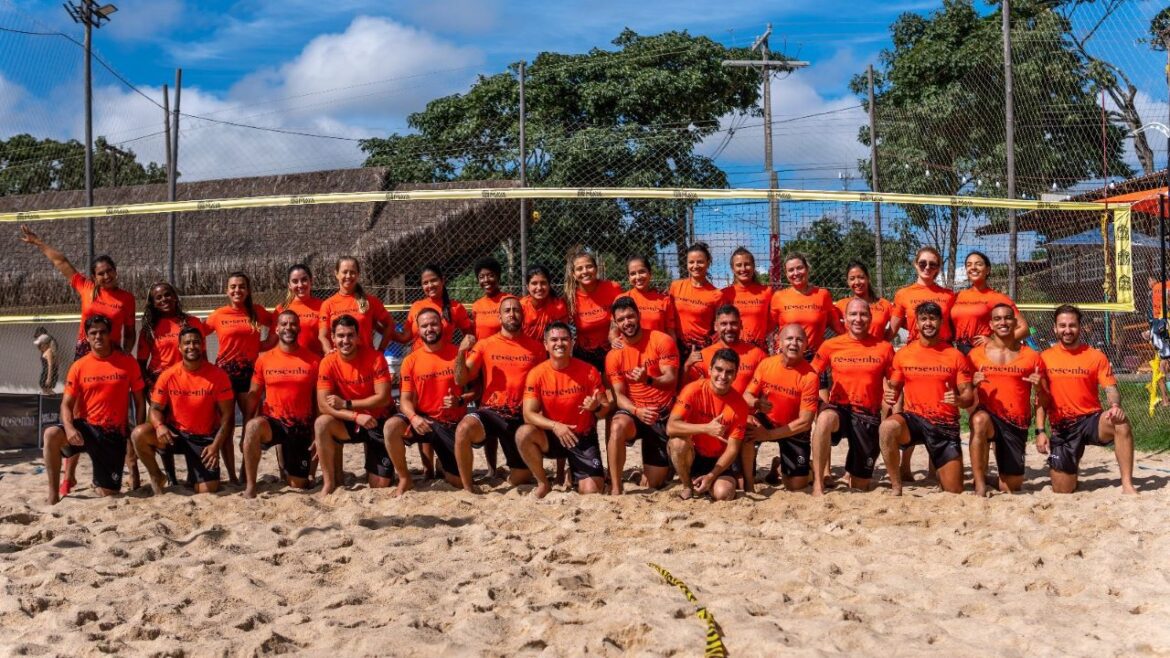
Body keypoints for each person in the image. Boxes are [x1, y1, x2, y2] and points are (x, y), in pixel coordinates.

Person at [42, 315, 145, 505]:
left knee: (108, 494)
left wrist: (137, 433)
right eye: (93, 333)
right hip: (87, 429)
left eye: (102, 332)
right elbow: (66, 404)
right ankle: (53, 495)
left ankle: (100, 480)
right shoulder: (79, 366)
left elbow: (139, 401)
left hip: (113, 434)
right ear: (87, 338)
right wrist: (70, 427)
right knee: (51, 434)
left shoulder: (127, 362)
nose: (98, 336)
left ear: (110, 335)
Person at [1038, 304, 1136, 494]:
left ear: (1080, 327)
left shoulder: (1095, 356)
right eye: (1063, 325)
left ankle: (1127, 484)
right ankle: (1071, 470)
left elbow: (1111, 389)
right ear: (1055, 328)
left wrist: (1115, 405)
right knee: (1063, 489)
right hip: (1062, 427)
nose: (1067, 330)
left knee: (1120, 422)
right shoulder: (1044, 358)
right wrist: (1040, 431)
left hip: (1091, 420)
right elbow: (1040, 399)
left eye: (1072, 325)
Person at [879, 302, 974, 495]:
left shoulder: (954, 356)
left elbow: (968, 396)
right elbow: (894, 388)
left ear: (941, 322)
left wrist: (958, 399)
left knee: (954, 489)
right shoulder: (904, 354)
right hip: (915, 420)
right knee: (887, 427)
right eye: (923, 319)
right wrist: (890, 393)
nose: (928, 323)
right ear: (916, 323)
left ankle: (943, 473)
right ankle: (896, 485)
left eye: (932, 318)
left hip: (944, 424)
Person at [453, 296, 545, 492]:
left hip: (521, 415)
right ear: (500, 316)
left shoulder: (536, 348)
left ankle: (507, 475)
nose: (512, 313)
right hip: (492, 412)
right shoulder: (486, 345)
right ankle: (468, 487)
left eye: (516, 310)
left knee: (521, 477)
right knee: (463, 429)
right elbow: (461, 380)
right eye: (507, 310)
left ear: (523, 315)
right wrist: (461, 353)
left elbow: (542, 386)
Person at [132, 327, 235, 495]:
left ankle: (194, 477)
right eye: (187, 343)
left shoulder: (218, 375)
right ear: (179, 347)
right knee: (139, 434)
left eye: (196, 342)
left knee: (207, 490)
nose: (191, 346)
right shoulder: (168, 375)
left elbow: (227, 416)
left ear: (202, 346)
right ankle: (157, 475)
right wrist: (159, 426)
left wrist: (215, 446)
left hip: (203, 439)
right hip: (175, 435)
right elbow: (155, 408)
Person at [516, 321, 611, 498]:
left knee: (591, 491)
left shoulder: (589, 371)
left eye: (564, 339)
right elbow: (528, 414)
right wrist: (555, 426)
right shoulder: (536, 374)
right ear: (546, 344)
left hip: (582, 437)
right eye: (554, 340)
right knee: (523, 433)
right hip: (553, 436)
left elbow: (604, 410)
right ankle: (543, 483)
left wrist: (596, 407)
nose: (559, 344)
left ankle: (573, 473)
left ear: (572, 342)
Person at [810, 298, 895, 496]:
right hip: (840, 410)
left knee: (860, 486)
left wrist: (893, 404)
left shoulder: (884, 348)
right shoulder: (831, 345)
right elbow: (810, 374)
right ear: (845, 319)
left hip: (868, 414)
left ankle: (854, 473)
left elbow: (895, 382)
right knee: (824, 419)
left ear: (870, 318)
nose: (858, 318)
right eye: (853, 314)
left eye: (863, 314)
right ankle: (818, 484)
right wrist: (813, 402)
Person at [385, 308, 470, 494]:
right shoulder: (410, 361)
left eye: (433, 324)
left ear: (442, 325)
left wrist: (461, 400)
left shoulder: (458, 354)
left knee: (457, 482)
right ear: (418, 329)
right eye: (424, 326)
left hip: (449, 423)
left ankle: (442, 465)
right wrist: (414, 417)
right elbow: (405, 401)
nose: (429, 329)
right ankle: (405, 478)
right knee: (391, 426)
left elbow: (475, 391)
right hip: (423, 421)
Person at [19, 226, 136, 358]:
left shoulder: (127, 298)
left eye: (109, 271)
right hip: (85, 351)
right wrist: (38, 242)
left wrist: (125, 354)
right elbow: (61, 262)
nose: (106, 276)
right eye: (101, 273)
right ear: (94, 278)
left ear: (115, 271)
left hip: (112, 351)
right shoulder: (86, 288)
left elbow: (130, 333)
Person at [241, 310, 320, 498]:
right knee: (253, 427)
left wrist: (315, 432)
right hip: (274, 423)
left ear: (299, 328)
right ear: (276, 329)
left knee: (297, 485)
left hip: (301, 426)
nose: (288, 328)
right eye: (284, 324)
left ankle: (287, 466)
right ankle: (251, 486)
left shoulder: (313, 361)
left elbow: (318, 401)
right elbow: (254, 394)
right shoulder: (264, 359)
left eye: (293, 324)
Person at [968, 303, 1046, 496]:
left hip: (1016, 422)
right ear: (991, 325)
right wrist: (972, 385)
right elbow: (965, 396)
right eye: (997, 319)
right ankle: (979, 484)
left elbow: (1043, 398)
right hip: (989, 417)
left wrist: (1039, 387)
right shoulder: (975, 355)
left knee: (1011, 486)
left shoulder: (1032, 356)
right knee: (979, 420)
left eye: (1007, 318)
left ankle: (992, 478)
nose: (1003, 322)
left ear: (1015, 322)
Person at [605, 297, 680, 494]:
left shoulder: (661, 340)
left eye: (630, 316)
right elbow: (619, 395)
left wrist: (649, 380)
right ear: (615, 322)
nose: (627, 322)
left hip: (660, 413)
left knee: (653, 483)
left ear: (639, 316)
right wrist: (636, 411)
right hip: (635, 412)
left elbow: (671, 379)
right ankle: (616, 486)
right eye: (621, 319)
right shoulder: (614, 354)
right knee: (617, 426)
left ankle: (652, 471)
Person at [314, 315, 395, 496]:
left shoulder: (375, 358)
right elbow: (323, 405)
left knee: (380, 485)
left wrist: (347, 404)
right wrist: (356, 415)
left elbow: (383, 397)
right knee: (321, 424)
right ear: (333, 339)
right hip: (350, 421)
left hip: (376, 420)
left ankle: (384, 469)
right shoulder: (327, 362)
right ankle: (329, 482)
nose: (346, 340)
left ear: (358, 337)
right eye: (341, 336)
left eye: (350, 335)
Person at [137, 281, 208, 487]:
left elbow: (202, 355)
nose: (164, 300)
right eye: (158, 297)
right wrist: (151, 386)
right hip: (160, 386)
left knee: (189, 428)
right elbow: (141, 362)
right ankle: (171, 477)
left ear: (175, 296)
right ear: (153, 303)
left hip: (188, 384)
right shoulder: (149, 329)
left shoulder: (191, 322)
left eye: (167, 295)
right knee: (164, 430)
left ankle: (194, 473)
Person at [207, 271, 274, 483]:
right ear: (227, 290)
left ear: (248, 290)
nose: (237, 290)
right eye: (233, 287)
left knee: (248, 427)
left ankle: (246, 473)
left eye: (242, 286)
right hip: (224, 376)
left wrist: (263, 346)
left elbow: (277, 324)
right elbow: (196, 334)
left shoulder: (257, 312)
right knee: (225, 426)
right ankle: (233, 477)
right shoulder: (218, 315)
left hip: (249, 376)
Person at [741, 324, 819, 493]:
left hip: (794, 428)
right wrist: (756, 403)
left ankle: (788, 469)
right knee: (747, 425)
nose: (794, 344)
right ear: (779, 343)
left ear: (806, 345)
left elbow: (805, 423)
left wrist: (768, 435)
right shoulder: (766, 364)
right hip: (768, 420)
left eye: (799, 340)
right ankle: (748, 483)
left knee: (795, 486)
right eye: (789, 339)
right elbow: (746, 396)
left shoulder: (810, 376)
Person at [667, 348, 750, 501]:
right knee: (677, 442)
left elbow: (733, 449)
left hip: (718, 460)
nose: (723, 376)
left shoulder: (740, 405)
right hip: (693, 454)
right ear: (710, 370)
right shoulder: (693, 389)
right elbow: (670, 427)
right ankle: (687, 486)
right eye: (719, 370)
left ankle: (706, 483)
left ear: (735, 375)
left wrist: (711, 476)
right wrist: (706, 428)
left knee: (724, 494)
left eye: (729, 372)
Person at [951, 251, 1027, 355]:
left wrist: (996, 342)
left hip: (983, 352)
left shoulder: (998, 298)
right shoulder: (957, 296)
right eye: (969, 265)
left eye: (979, 264)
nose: (973, 267)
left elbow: (1024, 329)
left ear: (987, 270)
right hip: (959, 352)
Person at [770, 252, 841, 359]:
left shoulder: (822, 295)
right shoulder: (779, 297)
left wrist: (855, 341)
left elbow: (836, 326)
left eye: (799, 268)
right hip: (787, 357)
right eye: (791, 270)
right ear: (786, 274)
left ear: (807, 269)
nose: (796, 273)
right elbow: (769, 326)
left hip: (815, 357)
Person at [318, 257, 396, 353]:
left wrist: (381, 350)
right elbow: (322, 336)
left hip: (366, 361)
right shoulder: (328, 304)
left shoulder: (370, 301)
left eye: (352, 272)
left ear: (358, 274)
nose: (348, 276)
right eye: (344, 272)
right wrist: (329, 352)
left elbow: (390, 324)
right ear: (336, 274)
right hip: (341, 361)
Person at [564, 251, 623, 372]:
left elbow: (622, 316)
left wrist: (615, 337)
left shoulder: (613, 288)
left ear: (596, 269)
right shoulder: (570, 297)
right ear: (574, 274)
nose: (585, 271)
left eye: (589, 266)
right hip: (584, 354)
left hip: (613, 349)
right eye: (579, 269)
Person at [686, 305, 767, 394]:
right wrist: (687, 366)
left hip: (744, 407)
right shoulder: (703, 356)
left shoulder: (758, 355)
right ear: (716, 326)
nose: (729, 328)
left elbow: (767, 389)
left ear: (741, 325)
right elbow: (690, 390)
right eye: (724, 324)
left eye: (733, 323)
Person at [668, 242, 723, 360]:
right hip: (677, 346)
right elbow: (669, 318)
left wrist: (709, 349)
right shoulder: (675, 287)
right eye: (691, 262)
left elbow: (718, 329)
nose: (695, 266)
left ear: (708, 263)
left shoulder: (716, 294)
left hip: (701, 349)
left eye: (700, 262)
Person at [890, 246, 956, 344]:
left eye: (932, 264)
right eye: (922, 263)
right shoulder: (903, 294)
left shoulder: (949, 295)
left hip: (944, 350)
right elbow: (892, 330)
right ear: (916, 264)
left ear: (938, 268)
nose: (927, 267)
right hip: (916, 350)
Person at [404, 263, 472, 349]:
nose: (430, 285)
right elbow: (405, 338)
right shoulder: (416, 306)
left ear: (442, 281)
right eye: (425, 283)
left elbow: (470, 337)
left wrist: (461, 355)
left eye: (433, 280)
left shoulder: (456, 307)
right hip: (419, 360)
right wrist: (386, 327)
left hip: (446, 360)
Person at [720, 247, 773, 350]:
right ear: (732, 268)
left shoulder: (767, 292)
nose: (743, 269)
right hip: (732, 350)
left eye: (747, 264)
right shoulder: (724, 294)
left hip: (758, 350)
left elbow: (772, 322)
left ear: (753, 266)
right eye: (739, 265)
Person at [619, 256, 677, 339]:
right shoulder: (621, 299)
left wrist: (673, 351)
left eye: (642, 271)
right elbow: (614, 330)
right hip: (632, 349)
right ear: (628, 277)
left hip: (658, 349)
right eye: (633, 274)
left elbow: (670, 333)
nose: (638, 277)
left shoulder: (664, 300)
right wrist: (614, 339)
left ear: (650, 273)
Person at [833, 261, 893, 341]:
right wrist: (845, 337)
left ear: (868, 278)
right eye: (852, 279)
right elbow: (827, 321)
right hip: (850, 352)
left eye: (861, 277)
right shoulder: (841, 305)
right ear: (848, 282)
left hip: (875, 351)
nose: (857, 282)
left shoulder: (885, 305)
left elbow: (902, 322)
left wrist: (883, 343)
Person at [276, 263, 325, 357]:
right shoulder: (281, 308)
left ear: (311, 281)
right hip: (290, 364)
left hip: (316, 362)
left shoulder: (323, 306)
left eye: (304, 280)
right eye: (295, 281)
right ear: (289, 285)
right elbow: (272, 340)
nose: (300, 285)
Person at [520, 265, 570, 342]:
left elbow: (562, 335)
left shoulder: (558, 305)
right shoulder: (521, 307)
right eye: (534, 283)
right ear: (527, 286)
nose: (539, 287)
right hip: (526, 350)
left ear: (549, 285)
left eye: (543, 283)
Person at [470, 257, 509, 340]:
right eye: (481, 277)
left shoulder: (509, 301)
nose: (486, 280)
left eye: (491, 275)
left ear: (498, 277)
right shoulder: (477, 305)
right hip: (481, 350)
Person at [34, 327, 58, 395]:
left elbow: (53, 360)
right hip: (47, 368)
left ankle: (52, 400)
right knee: (45, 388)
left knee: (47, 388)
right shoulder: (46, 346)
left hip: (49, 369)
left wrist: (49, 377)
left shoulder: (50, 345)